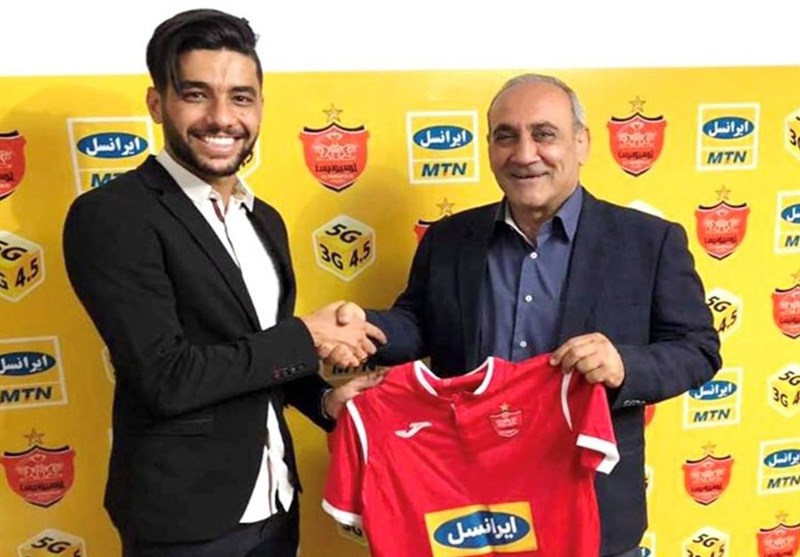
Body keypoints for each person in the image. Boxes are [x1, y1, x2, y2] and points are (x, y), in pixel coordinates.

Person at [334, 73, 721, 557]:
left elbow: (698, 349)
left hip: (592, 508)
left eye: (544, 134)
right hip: (468, 509)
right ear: (489, 147)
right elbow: (419, 323)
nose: (524, 154)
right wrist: (366, 328)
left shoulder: (649, 241)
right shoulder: (449, 239)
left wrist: (625, 365)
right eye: (506, 136)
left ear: (581, 143)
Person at [62, 9, 385, 557]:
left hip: (276, 500)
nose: (221, 118)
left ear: (259, 107)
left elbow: (258, 351)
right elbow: (165, 376)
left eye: (240, 97)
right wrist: (308, 336)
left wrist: (324, 401)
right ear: (156, 103)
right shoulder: (112, 216)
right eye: (196, 94)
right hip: (182, 521)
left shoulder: (265, 220)